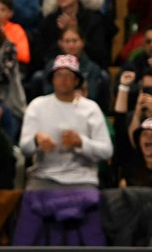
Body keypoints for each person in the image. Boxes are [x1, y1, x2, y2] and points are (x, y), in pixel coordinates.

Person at [18, 54, 113, 189]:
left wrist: (81, 142)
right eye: (59, 75)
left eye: (68, 75)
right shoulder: (37, 106)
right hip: (44, 176)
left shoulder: (91, 108)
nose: (63, 79)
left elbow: (106, 151)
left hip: (82, 177)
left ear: (76, 80)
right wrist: (36, 140)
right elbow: (24, 149)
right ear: (52, 79)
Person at [33, 0, 109, 69]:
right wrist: (62, 36)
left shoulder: (93, 20)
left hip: (87, 68)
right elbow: (40, 56)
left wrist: (76, 31)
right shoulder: (49, 21)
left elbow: (100, 56)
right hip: (55, 70)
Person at [39, 25, 109, 112]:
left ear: (82, 42)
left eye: (75, 41)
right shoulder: (51, 66)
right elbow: (47, 92)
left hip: (83, 110)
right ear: (60, 43)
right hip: (54, 109)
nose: (71, 45)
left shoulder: (92, 68)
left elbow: (92, 95)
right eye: (67, 41)